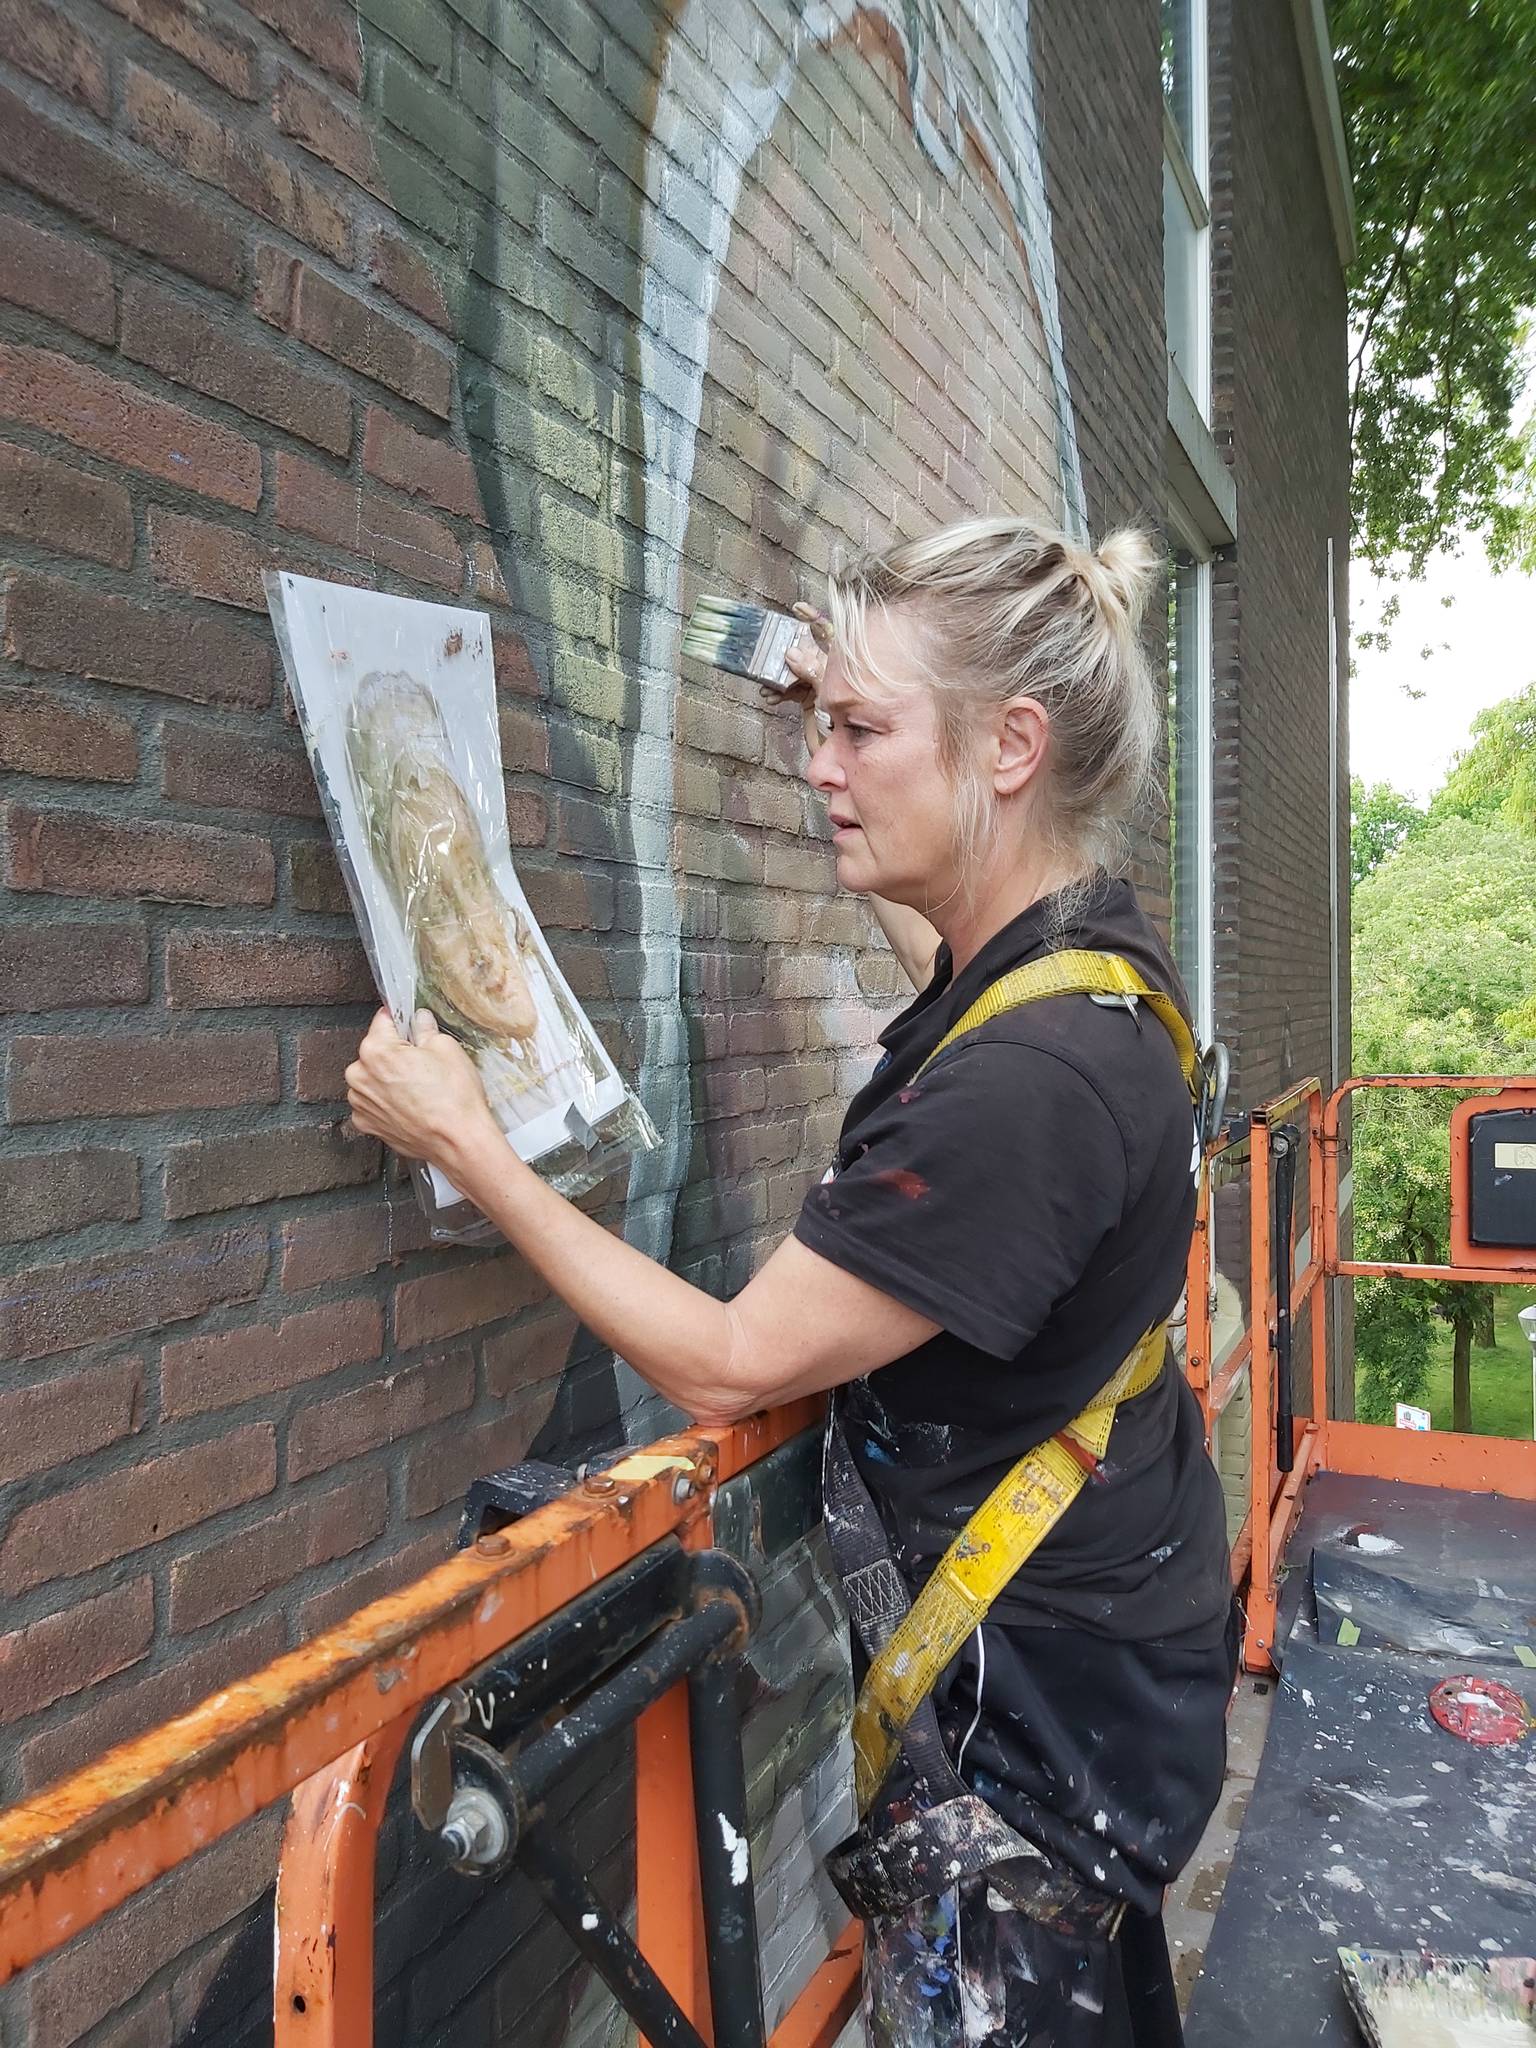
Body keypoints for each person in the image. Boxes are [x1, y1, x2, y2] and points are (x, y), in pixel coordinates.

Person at [346, 516, 1236, 2046]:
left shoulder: (1033, 1081)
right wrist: (853, 740)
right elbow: (957, 973)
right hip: (1107, 1649)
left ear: (1012, 746)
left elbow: (733, 1360)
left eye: (863, 731)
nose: (826, 764)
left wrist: (471, 1143)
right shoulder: (1074, 966)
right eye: (823, 729)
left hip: (1036, 1736)